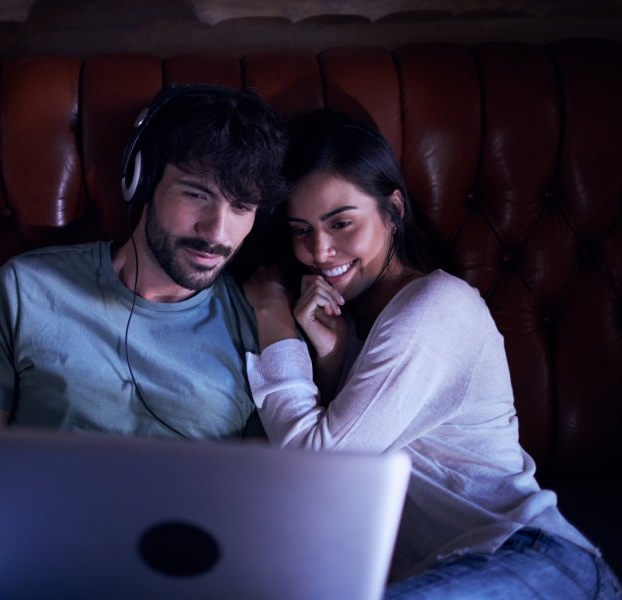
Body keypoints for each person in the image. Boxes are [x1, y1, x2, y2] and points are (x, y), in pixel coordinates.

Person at [0, 84, 288, 599]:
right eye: (196, 194)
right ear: (140, 182)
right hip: (27, 570)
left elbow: (265, 506)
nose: (217, 232)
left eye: (242, 207)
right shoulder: (24, 289)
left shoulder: (258, 323)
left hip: (179, 582)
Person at [243, 110, 622, 599]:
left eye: (341, 223)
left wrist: (272, 315)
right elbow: (359, 463)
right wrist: (335, 357)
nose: (319, 250)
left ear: (393, 210)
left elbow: (316, 458)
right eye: (301, 230)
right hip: (435, 579)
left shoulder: (435, 307)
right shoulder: (355, 325)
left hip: (531, 559)